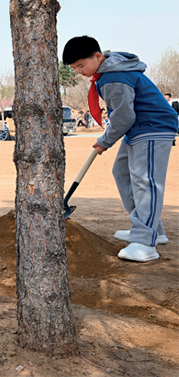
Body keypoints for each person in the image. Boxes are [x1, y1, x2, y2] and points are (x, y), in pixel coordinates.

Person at [63, 36, 177, 262]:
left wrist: (105, 140)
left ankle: (145, 243)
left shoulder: (113, 77)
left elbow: (124, 116)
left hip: (153, 126)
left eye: (81, 66)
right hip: (137, 128)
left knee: (146, 181)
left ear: (97, 57)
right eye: (74, 68)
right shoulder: (110, 72)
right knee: (122, 173)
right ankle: (150, 229)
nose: (79, 72)